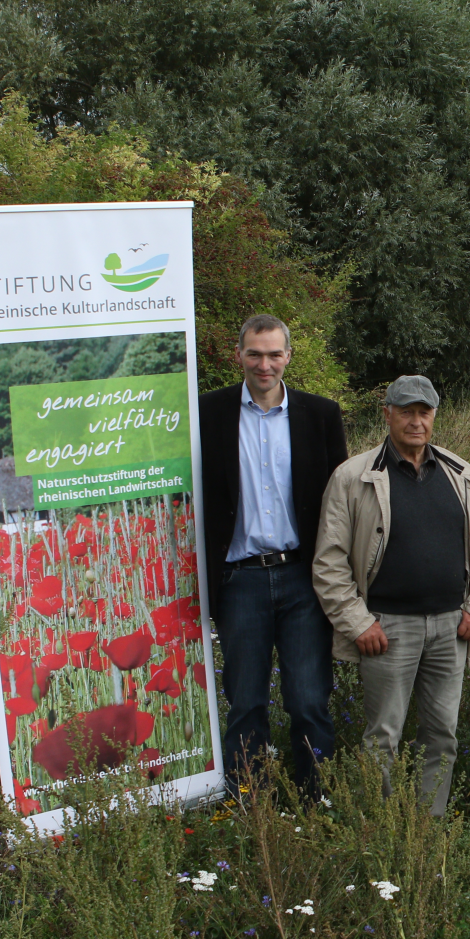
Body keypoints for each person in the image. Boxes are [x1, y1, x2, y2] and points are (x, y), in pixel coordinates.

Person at [311, 376, 470, 816]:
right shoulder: (353, 477)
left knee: (442, 734)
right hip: (386, 629)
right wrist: (359, 623)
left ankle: (427, 826)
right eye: (406, 412)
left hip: (451, 627)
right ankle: (381, 828)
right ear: (387, 415)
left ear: (434, 415)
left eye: (424, 412)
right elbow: (329, 562)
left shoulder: (461, 475)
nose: (416, 422)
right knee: (383, 736)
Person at [198, 314, 348, 799]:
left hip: (303, 577)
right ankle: (249, 805)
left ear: (288, 357)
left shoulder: (320, 415)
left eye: (274, 354)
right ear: (238, 355)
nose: (265, 364)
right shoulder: (207, 414)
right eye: (255, 354)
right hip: (239, 579)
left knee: (308, 699)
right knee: (245, 701)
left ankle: (315, 798)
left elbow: (339, 501)